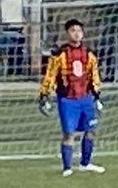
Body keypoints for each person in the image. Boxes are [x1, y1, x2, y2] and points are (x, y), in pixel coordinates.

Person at [38, 18, 105, 176]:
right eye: (73, 31)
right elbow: (50, 75)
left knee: (91, 130)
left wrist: (97, 95)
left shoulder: (89, 54)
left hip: (86, 98)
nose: (76, 34)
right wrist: (44, 94)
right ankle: (67, 167)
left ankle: (85, 163)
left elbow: (94, 75)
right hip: (67, 99)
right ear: (67, 33)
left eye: (79, 31)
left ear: (83, 34)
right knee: (69, 133)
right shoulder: (59, 54)